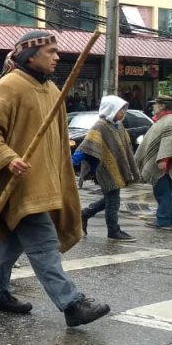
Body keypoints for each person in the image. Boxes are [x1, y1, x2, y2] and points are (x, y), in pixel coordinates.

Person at [0, 30, 111, 328]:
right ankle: (71, 303)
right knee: (43, 242)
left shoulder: (53, 91)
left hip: (42, 179)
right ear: (31, 55)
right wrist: (8, 157)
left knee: (12, 241)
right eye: (51, 52)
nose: (57, 57)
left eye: (57, 52)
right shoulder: (9, 86)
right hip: (17, 182)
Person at [72, 95, 138, 241]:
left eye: (124, 110)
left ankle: (85, 214)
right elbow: (86, 147)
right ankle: (113, 231)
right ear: (111, 109)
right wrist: (71, 163)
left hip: (115, 168)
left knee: (110, 199)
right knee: (113, 201)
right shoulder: (100, 126)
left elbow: (124, 148)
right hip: (103, 169)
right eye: (121, 110)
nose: (123, 113)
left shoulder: (118, 126)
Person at [134, 93, 172, 231]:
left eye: (155, 104)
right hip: (164, 164)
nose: (153, 106)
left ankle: (163, 219)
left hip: (164, 166)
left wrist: (164, 160)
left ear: (162, 106)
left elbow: (169, 143)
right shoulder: (165, 120)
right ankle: (170, 218)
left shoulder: (169, 120)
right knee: (165, 192)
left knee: (162, 193)